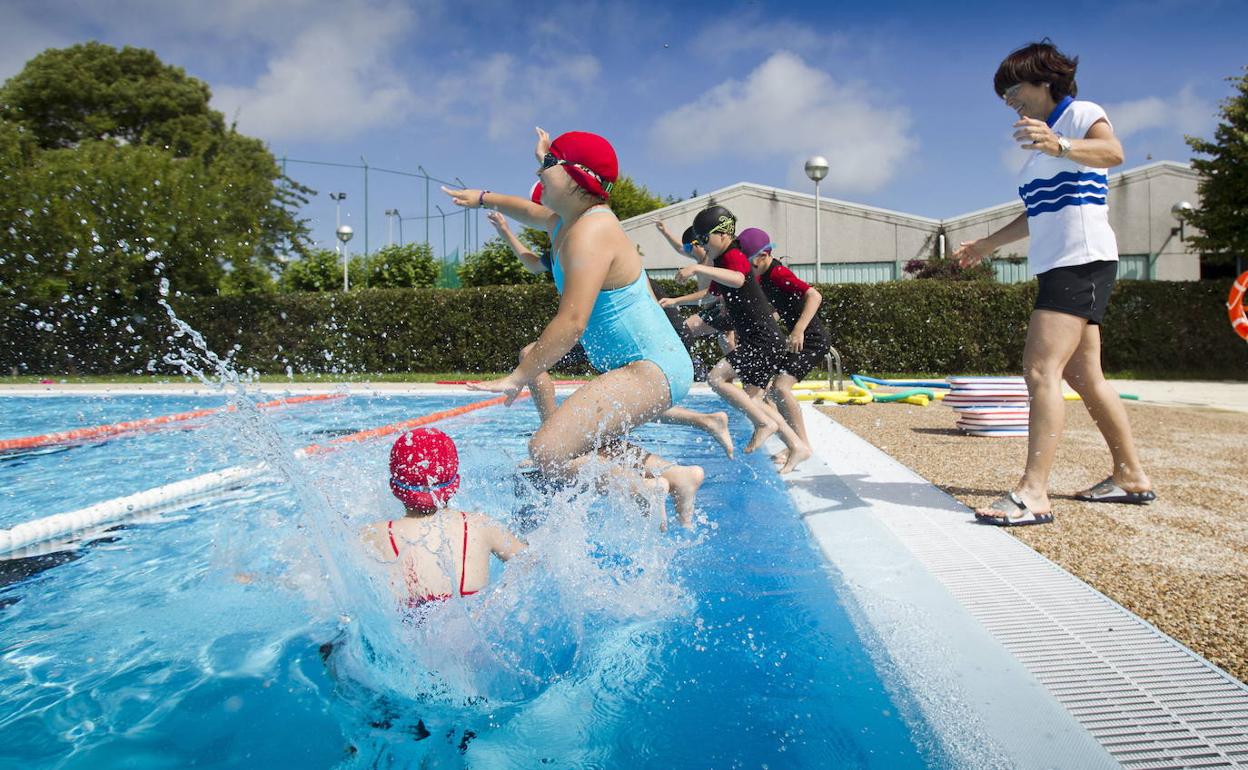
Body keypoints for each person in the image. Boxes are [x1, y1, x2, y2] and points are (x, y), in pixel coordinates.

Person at [443, 128, 705, 526]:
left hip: (652, 368)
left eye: (547, 165)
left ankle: (640, 487)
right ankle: (676, 475)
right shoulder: (567, 221)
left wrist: (518, 377)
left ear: (577, 176)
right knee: (588, 440)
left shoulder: (591, 231)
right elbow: (522, 209)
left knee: (547, 451)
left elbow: (572, 320)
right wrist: (483, 198)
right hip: (645, 365)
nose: (538, 173)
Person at [954, 40, 1155, 526]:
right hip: (1063, 265)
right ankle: (1130, 476)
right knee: (1085, 376)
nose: (1009, 101)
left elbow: (1113, 151)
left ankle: (1033, 492)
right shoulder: (1039, 149)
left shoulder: (1080, 114)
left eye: (1014, 89)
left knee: (1041, 370)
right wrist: (987, 244)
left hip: (1080, 262)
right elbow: (1038, 211)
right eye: (1004, 95)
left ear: (1044, 80)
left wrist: (1059, 143)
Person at [487, 208, 732, 457]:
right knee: (535, 357)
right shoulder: (561, 248)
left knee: (628, 399)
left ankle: (556, 443)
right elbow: (532, 263)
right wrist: (505, 230)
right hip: (602, 334)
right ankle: (552, 435)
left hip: (641, 333)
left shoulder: (590, 237)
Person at [680, 205, 810, 474]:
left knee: (716, 379)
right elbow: (712, 293)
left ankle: (765, 425)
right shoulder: (722, 261)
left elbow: (739, 279)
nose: (703, 246)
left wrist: (695, 268)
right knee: (754, 401)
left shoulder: (734, 254)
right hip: (762, 339)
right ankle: (797, 446)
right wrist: (676, 300)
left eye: (704, 239)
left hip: (761, 339)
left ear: (722, 234)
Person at [360, 428, 526, 611]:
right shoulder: (481, 526)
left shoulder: (373, 535)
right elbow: (532, 563)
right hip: (474, 628)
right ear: (455, 484)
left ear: (394, 487)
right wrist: (496, 600)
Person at [738, 227, 831, 464]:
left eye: (748, 261)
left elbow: (814, 296)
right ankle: (792, 444)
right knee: (768, 390)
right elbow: (782, 308)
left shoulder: (778, 273)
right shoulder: (763, 277)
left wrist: (798, 329)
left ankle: (802, 446)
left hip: (811, 340)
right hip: (797, 340)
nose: (747, 266)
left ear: (763, 255)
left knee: (780, 388)